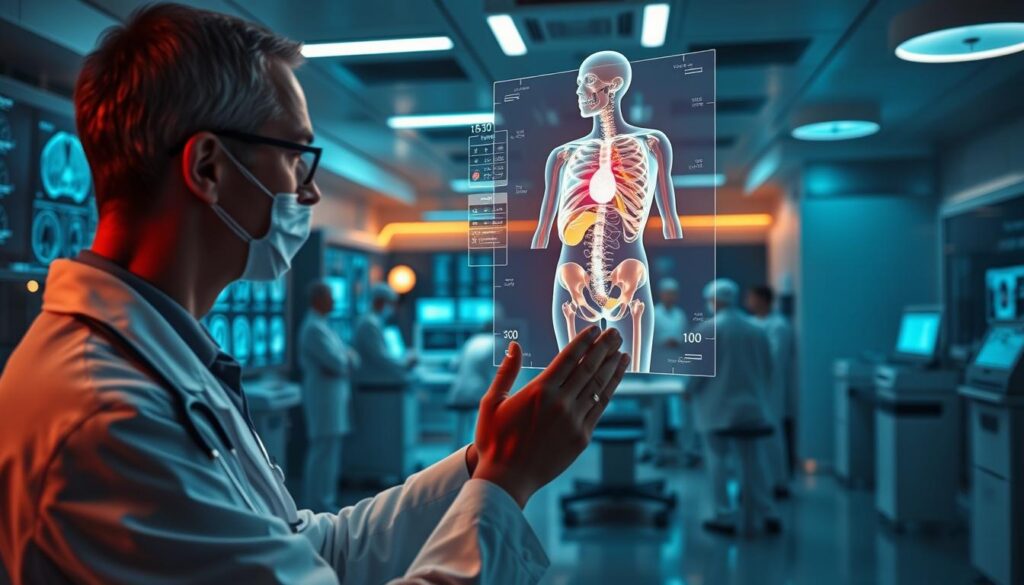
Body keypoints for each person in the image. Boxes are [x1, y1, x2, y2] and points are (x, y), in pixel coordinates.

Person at [0, 5, 631, 583]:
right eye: (295, 156)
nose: (310, 193)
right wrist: (506, 483)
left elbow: (312, 552)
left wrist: (480, 462)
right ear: (208, 168)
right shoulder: (109, 417)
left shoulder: (163, 367)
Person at [685, 279, 779, 534]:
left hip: (716, 411)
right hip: (751, 410)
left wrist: (688, 391)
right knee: (754, 463)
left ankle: (723, 515)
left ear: (713, 301)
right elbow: (768, 368)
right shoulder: (756, 330)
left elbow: (698, 373)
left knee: (717, 461)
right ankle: (767, 512)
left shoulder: (707, 329)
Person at [299, 281, 360, 511]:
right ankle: (317, 502)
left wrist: (345, 360)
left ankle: (324, 500)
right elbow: (339, 362)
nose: (334, 301)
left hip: (331, 399)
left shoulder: (322, 326)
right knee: (322, 452)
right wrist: (345, 360)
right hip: (323, 400)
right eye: (330, 297)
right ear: (318, 299)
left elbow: (347, 360)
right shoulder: (313, 329)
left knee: (329, 452)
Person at [745, 285, 796, 498]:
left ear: (763, 300)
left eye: (751, 297)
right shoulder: (750, 323)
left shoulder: (779, 326)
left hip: (771, 389)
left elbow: (775, 360)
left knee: (773, 436)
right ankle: (760, 483)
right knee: (755, 441)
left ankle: (779, 482)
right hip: (754, 388)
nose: (748, 301)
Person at [644, 277, 691, 465]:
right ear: (661, 294)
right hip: (658, 368)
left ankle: (685, 449)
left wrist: (678, 342)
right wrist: (663, 341)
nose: (671, 296)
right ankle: (654, 449)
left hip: (677, 368)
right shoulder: (653, 314)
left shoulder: (680, 315)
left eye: (674, 293)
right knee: (656, 412)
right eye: (668, 293)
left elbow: (686, 337)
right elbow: (646, 339)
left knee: (683, 410)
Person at [352, 283, 415, 387]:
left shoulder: (374, 322)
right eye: (391, 304)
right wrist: (404, 364)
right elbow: (380, 357)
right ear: (379, 302)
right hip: (372, 385)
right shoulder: (369, 325)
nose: (392, 309)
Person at [446, 326, 495, 451]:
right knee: (477, 430)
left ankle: (456, 456)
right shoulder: (495, 343)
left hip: (459, 392)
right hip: (476, 393)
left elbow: (454, 364)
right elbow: (495, 373)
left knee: (459, 432)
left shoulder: (472, 341)